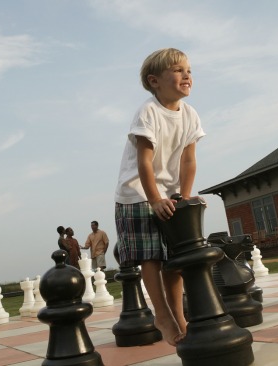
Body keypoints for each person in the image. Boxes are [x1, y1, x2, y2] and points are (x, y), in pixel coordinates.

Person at [114, 48, 205, 346]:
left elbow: (189, 161)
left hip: (169, 194)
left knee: (175, 259)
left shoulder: (190, 115)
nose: (187, 74)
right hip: (137, 193)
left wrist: (185, 198)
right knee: (150, 255)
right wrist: (154, 200)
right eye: (178, 70)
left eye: (188, 70)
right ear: (155, 81)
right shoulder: (148, 112)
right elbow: (144, 162)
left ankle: (179, 316)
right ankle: (162, 315)